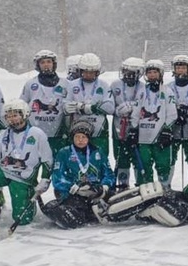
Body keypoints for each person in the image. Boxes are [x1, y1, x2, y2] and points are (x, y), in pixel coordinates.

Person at [0, 100, 53, 231]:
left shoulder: (37, 133)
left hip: (23, 177)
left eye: (15, 115)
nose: (12, 119)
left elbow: (47, 159)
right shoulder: (4, 134)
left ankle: (27, 200)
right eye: (9, 116)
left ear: (24, 114)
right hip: (3, 171)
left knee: (23, 220)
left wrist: (45, 179)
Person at [130, 60, 178, 185]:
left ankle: (165, 192)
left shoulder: (167, 91)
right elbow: (135, 112)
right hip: (143, 138)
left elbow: (172, 113)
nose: (152, 75)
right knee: (144, 167)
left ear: (160, 73)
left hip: (160, 136)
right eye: (149, 72)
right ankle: (145, 193)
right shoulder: (141, 92)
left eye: (155, 72)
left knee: (163, 166)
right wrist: (134, 129)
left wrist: (167, 129)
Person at [50, 120, 115, 205]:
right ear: (72, 138)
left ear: (88, 138)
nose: (80, 140)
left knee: (113, 201)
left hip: (95, 190)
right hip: (71, 192)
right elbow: (58, 178)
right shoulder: (64, 153)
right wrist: (74, 188)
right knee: (79, 208)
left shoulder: (98, 151)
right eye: (77, 137)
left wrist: (103, 187)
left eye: (83, 137)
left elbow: (109, 174)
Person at [64, 53, 115, 155]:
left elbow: (110, 107)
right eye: (85, 72)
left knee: (100, 159)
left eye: (92, 72)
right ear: (80, 71)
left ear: (97, 72)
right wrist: (72, 107)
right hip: (78, 131)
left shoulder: (104, 85)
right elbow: (66, 106)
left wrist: (89, 108)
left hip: (99, 131)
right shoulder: (71, 85)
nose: (88, 75)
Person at [21, 50, 69, 153]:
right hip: (35, 133)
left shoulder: (65, 84)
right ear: (38, 65)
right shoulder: (30, 84)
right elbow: (22, 106)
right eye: (42, 62)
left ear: (54, 64)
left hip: (58, 134)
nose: (46, 65)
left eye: (49, 62)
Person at [110, 57, 145, 189]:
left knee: (138, 158)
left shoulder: (143, 87)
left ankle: (139, 186)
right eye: (126, 71)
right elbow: (107, 106)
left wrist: (133, 106)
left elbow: (145, 104)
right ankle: (123, 185)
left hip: (137, 128)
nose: (128, 75)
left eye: (132, 72)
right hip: (119, 128)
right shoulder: (114, 85)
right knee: (121, 158)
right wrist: (117, 111)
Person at [168, 55, 188, 182]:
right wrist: (175, 112)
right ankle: (167, 187)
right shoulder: (168, 87)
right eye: (178, 67)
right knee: (170, 159)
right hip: (174, 129)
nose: (180, 70)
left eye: (183, 68)